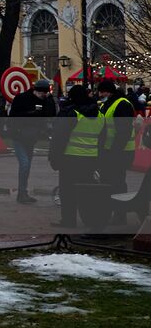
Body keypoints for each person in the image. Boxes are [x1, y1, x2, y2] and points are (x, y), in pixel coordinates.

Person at [49, 83, 102, 229]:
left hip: (70, 159)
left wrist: (54, 158)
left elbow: (59, 138)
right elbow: (101, 140)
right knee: (86, 192)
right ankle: (89, 221)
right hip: (91, 159)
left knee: (67, 191)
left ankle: (69, 221)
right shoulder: (99, 114)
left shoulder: (71, 113)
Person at [6, 78, 56, 204]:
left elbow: (50, 114)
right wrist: (31, 114)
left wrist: (49, 100)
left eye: (46, 93)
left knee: (26, 166)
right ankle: (22, 193)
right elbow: (14, 116)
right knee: (25, 164)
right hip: (19, 136)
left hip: (31, 137)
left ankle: (23, 192)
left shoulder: (44, 101)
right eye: (43, 93)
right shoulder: (22, 98)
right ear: (37, 90)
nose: (44, 95)